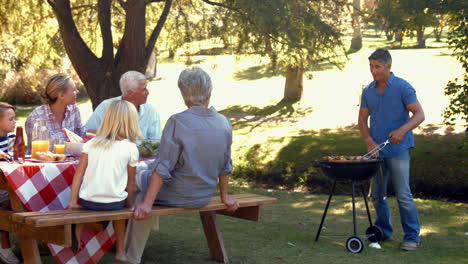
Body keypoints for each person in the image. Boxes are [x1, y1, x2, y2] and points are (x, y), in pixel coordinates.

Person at [123, 67, 239, 263]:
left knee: (132, 179)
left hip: (177, 194)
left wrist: (147, 204)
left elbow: (162, 169)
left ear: (184, 95)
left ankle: (126, 254)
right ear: (209, 91)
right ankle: (121, 245)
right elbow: (225, 165)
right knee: (142, 179)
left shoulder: (178, 122)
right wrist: (225, 197)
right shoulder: (224, 123)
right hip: (203, 196)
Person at [358, 48, 425, 251]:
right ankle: (383, 231)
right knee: (377, 195)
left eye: (377, 67)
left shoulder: (403, 87)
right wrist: (368, 140)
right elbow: (362, 119)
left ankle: (412, 237)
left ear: (388, 67)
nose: (373, 71)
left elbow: (419, 114)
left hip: (398, 150)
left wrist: (402, 130)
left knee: (403, 194)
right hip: (376, 152)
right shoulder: (368, 90)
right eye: (371, 66)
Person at [68, 100, 141, 261]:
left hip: (88, 201)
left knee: (82, 207)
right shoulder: (131, 148)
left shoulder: (91, 144)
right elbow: (130, 181)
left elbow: (78, 174)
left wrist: (73, 201)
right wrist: (129, 203)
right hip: (115, 204)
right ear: (131, 122)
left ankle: (77, 240)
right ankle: (120, 251)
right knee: (120, 216)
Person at [85, 71, 161, 140]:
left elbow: (156, 142)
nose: (147, 93)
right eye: (143, 89)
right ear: (130, 93)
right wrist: (109, 134)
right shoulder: (106, 106)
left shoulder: (150, 111)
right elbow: (86, 133)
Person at [25, 74, 85, 153]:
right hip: (44, 164)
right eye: (74, 90)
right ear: (61, 95)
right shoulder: (36, 118)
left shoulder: (74, 110)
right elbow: (39, 152)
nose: (77, 92)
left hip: (71, 163)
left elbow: (82, 136)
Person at [0, 102, 20, 264]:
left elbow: (16, 158)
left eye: (15, 119)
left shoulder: (13, 137)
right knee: (7, 202)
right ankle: (4, 247)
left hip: (10, 182)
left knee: (22, 198)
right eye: (11, 119)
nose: (15, 122)